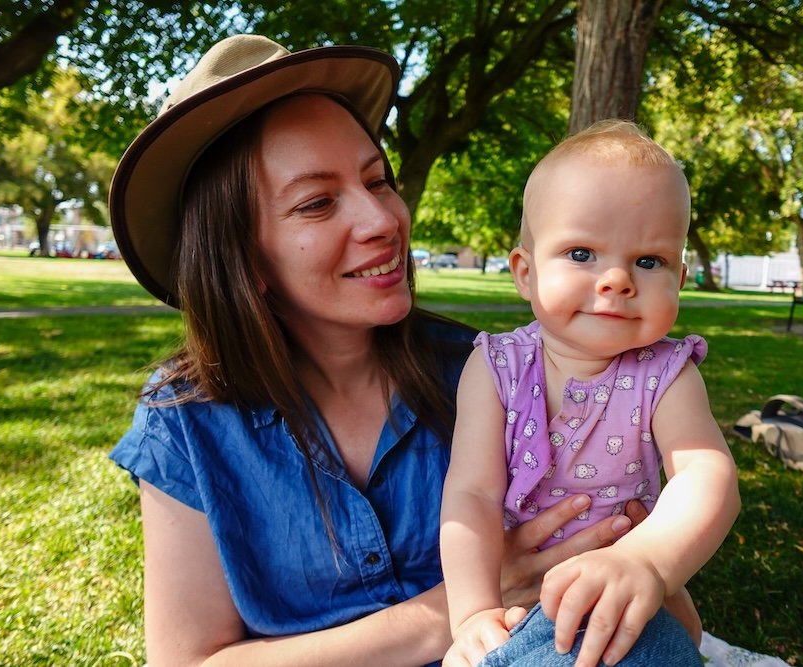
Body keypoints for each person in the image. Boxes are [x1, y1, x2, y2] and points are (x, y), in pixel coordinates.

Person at [107, 34, 703, 666]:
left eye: (378, 180)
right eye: (317, 202)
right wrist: (454, 609)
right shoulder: (185, 422)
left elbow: (631, 526)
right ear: (242, 258)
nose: (383, 220)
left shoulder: (489, 371)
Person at [440, 121, 742, 667]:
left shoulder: (666, 372)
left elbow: (707, 475)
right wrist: (471, 613)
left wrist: (646, 562)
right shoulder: (496, 366)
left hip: (628, 585)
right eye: (582, 254)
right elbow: (472, 497)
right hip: (523, 599)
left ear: (681, 274)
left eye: (648, 261)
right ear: (525, 272)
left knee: (668, 648)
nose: (617, 279)